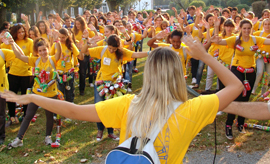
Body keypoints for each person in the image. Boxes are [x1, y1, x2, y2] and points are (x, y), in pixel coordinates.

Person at [1, 36, 243, 163]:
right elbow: (236, 86)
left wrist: (33, 96)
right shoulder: (194, 109)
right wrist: (205, 56)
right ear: (179, 74)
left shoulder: (128, 103)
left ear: (147, 73)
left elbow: (73, 111)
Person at [81, 34, 149, 141]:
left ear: (118, 47)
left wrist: (150, 53)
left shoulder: (122, 53)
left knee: (111, 107)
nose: (111, 50)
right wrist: (86, 42)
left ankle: (111, 132)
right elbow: (85, 51)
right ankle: (100, 130)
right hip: (101, 83)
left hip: (114, 85)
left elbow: (135, 54)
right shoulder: (102, 50)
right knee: (99, 106)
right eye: (110, 48)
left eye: (114, 49)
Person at [212, 18, 270, 140]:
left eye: (249, 28)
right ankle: (229, 124)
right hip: (237, 70)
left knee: (246, 98)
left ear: (251, 29)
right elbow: (219, 41)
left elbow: (267, 41)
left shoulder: (255, 40)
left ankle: (240, 123)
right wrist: (216, 27)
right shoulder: (235, 40)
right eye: (244, 28)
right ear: (240, 29)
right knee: (236, 96)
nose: (246, 30)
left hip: (250, 71)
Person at [6, 31, 62, 148]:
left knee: (49, 116)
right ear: (37, 51)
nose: (42, 52)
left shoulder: (52, 60)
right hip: (37, 93)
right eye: (40, 50)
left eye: (44, 50)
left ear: (48, 48)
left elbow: (59, 53)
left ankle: (48, 137)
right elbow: (20, 56)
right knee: (28, 115)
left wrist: (58, 41)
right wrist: (12, 44)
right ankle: (19, 138)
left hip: (51, 93)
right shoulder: (35, 60)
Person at [1, 24, 34, 126]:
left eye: (23, 32)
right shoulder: (6, 44)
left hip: (26, 72)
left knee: (25, 95)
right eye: (19, 32)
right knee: (11, 95)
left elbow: (29, 56)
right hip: (13, 73)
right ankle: (12, 116)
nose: (21, 34)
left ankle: (25, 116)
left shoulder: (29, 42)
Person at [50, 28, 82, 102]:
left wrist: (81, 48)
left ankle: (70, 105)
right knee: (60, 90)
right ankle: (61, 107)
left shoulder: (71, 45)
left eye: (63, 37)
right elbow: (51, 56)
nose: (61, 39)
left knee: (69, 90)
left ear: (67, 36)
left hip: (69, 72)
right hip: (59, 72)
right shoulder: (55, 45)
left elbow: (79, 55)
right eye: (59, 37)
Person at [0, 49, 16, 145]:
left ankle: (1, 136)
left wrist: (11, 42)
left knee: (1, 114)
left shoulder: (2, 52)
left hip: (1, 88)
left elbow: (19, 55)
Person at [252, 18, 270, 95]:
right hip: (260, 56)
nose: (267, 26)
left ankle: (263, 92)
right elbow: (250, 36)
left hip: (269, 58)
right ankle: (254, 89)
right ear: (263, 25)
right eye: (265, 24)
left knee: (268, 75)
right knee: (259, 72)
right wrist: (253, 25)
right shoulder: (259, 33)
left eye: (269, 24)